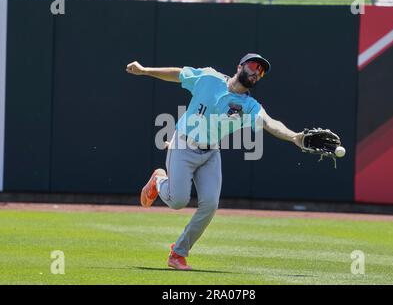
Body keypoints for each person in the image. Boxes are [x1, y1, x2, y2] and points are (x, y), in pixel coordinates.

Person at [126, 54, 305, 270]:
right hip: (183, 145)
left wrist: (294, 136)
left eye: (262, 71)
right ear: (239, 66)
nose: (257, 72)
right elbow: (178, 74)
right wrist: (145, 70)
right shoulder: (210, 78)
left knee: (210, 205)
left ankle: (178, 253)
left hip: (210, 152)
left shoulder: (249, 105)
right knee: (177, 202)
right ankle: (159, 180)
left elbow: (270, 122)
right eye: (254, 66)